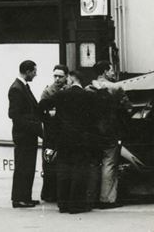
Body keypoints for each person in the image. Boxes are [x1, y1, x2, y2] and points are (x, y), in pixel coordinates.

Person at [39, 69, 100, 213]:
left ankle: (63, 204)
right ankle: (76, 205)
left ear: (72, 79)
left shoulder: (61, 94)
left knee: (64, 170)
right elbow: (96, 116)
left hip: (64, 138)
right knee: (79, 170)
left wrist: (52, 119)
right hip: (82, 139)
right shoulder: (88, 96)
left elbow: (41, 106)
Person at [88, 60, 131, 208]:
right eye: (111, 70)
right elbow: (128, 109)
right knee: (109, 163)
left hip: (92, 131)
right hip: (110, 131)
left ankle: (90, 197)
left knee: (93, 163)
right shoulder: (116, 87)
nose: (113, 73)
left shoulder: (88, 88)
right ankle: (106, 199)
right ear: (105, 71)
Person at [8, 59, 43, 208]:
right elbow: (14, 114)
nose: (35, 74)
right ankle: (19, 198)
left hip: (28, 134)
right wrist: (34, 126)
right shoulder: (17, 88)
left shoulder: (23, 86)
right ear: (27, 71)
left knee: (28, 166)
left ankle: (25, 197)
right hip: (24, 135)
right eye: (34, 71)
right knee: (23, 167)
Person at [39, 64, 69, 203]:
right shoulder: (48, 91)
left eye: (60, 76)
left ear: (66, 77)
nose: (57, 79)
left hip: (64, 131)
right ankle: (50, 193)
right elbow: (40, 111)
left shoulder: (69, 89)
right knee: (49, 162)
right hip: (51, 132)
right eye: (55, 76)